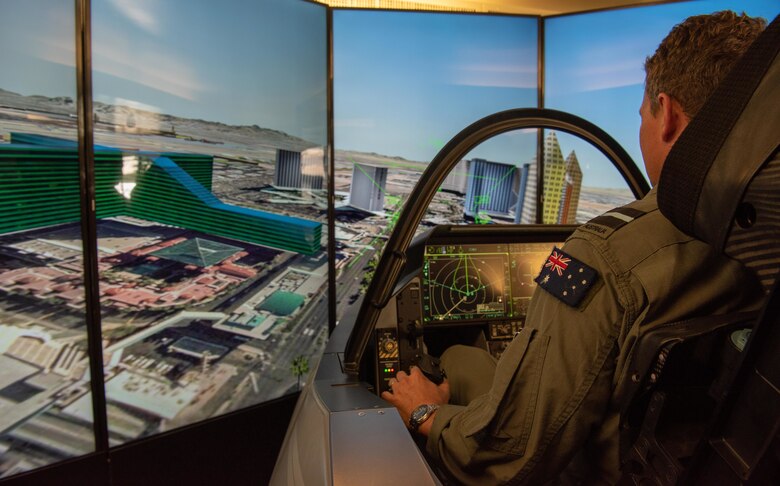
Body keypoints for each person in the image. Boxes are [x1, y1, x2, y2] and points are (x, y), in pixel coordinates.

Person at [382, 10, 768, 485]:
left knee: (455, 365)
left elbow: (506, 458)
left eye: (642, 114)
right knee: (467, 360)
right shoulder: (761, 239)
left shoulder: (600, 257)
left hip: (593, 469)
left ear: (665, 114)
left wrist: (425, 412)